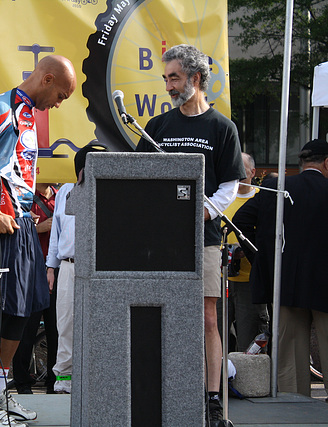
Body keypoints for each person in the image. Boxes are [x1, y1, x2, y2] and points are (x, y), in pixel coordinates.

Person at [0, 54, 77, 427]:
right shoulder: (1, 108)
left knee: (23, 313)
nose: (59, 103)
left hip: (21, 223)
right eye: (61, 95)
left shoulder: (28, 114)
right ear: (47, 78)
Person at [136, 44, 245, 426]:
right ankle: (161, 392)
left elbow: (230, 186)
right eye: (166, 78)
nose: (168, 85)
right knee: (159, 316)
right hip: (159, 242)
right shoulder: (157, 127)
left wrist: (204, 210)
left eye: (175, 77)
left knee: (208, 318)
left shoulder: (222, 128)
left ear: (196, 79)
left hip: (205, 239)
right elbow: (138, 178)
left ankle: (212, 402)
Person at [233, 139, 328, 397]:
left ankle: (295, 405)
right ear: (327, 163)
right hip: (323, 282)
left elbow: (241, 220)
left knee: (290, 356)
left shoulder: (276, 187)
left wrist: (262, 258)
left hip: (285, 282)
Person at [46, 142, 109, 395]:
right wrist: (51, 267)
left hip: (100, 268)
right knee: (66, 323)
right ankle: (65, 380)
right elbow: (56, 233)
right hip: (68, 266)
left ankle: (99, 379)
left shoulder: (109, 191)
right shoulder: (66, 191)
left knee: (101, 325)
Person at [217, 153, 269, 352]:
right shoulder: (221, 199)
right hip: (221, 280)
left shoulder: (261, 199)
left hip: (251, 281)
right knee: (218, 338)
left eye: (241, 169)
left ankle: (248, 382)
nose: (236, 174)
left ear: (253, 172)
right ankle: (219, 381)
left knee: (249, 341)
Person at [12, 183, 58, 395]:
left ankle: (54, 381)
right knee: (26, 331)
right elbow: (12, 228)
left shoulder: (63, 195)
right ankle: (22, 382)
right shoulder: (24, 197)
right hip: (31, 271)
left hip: (57, 271)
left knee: (56, 332)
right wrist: (38, 228)